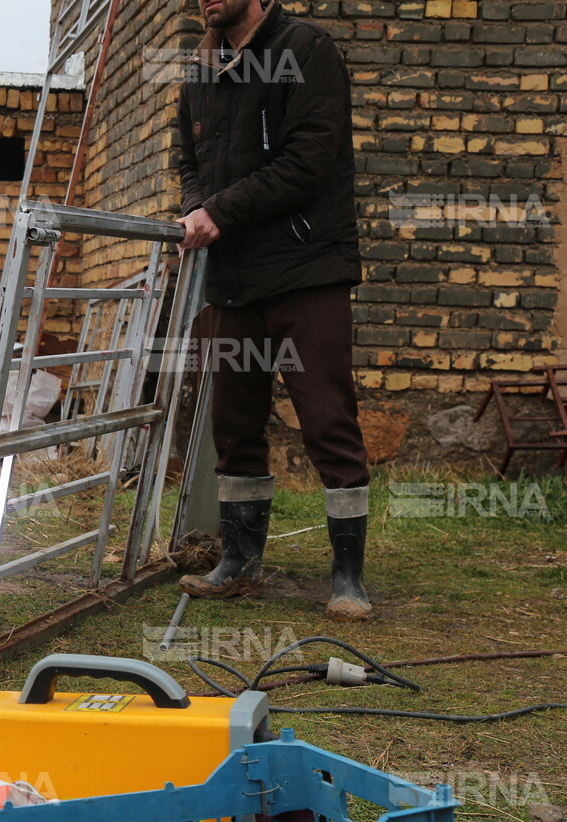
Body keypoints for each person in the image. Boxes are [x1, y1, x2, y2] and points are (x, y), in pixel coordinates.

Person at [174, 0, 371, 621]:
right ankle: (239, 562)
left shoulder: (306, 50)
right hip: (231, 279)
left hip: (305, 268)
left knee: (327, 421)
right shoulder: (202, 70)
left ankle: (347, 577)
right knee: (233, 426)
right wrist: (195, 207)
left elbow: (309, 158)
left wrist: (219, 212)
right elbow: (188, 162)